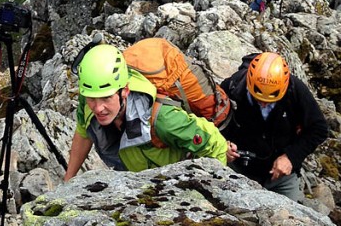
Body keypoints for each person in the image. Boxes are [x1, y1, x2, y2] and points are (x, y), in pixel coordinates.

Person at [64, 44, 227, 179]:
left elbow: (214, 144)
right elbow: (83, 132)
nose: (98, 108)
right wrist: (68, 181)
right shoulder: (88, 97)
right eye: (92, 99)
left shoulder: (161, 119)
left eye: (106, 98)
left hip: (176, 183)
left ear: (125, 91)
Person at [220, 52, 329, 202]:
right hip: (237, 169)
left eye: (271, 100)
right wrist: (221, 145)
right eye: (258, 98)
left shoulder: (295, 90)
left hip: (280, 177)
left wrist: (291, 157)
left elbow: (319, 129)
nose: (264, 104)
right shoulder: (232, 87)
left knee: (289, 219)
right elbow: (211, 122)